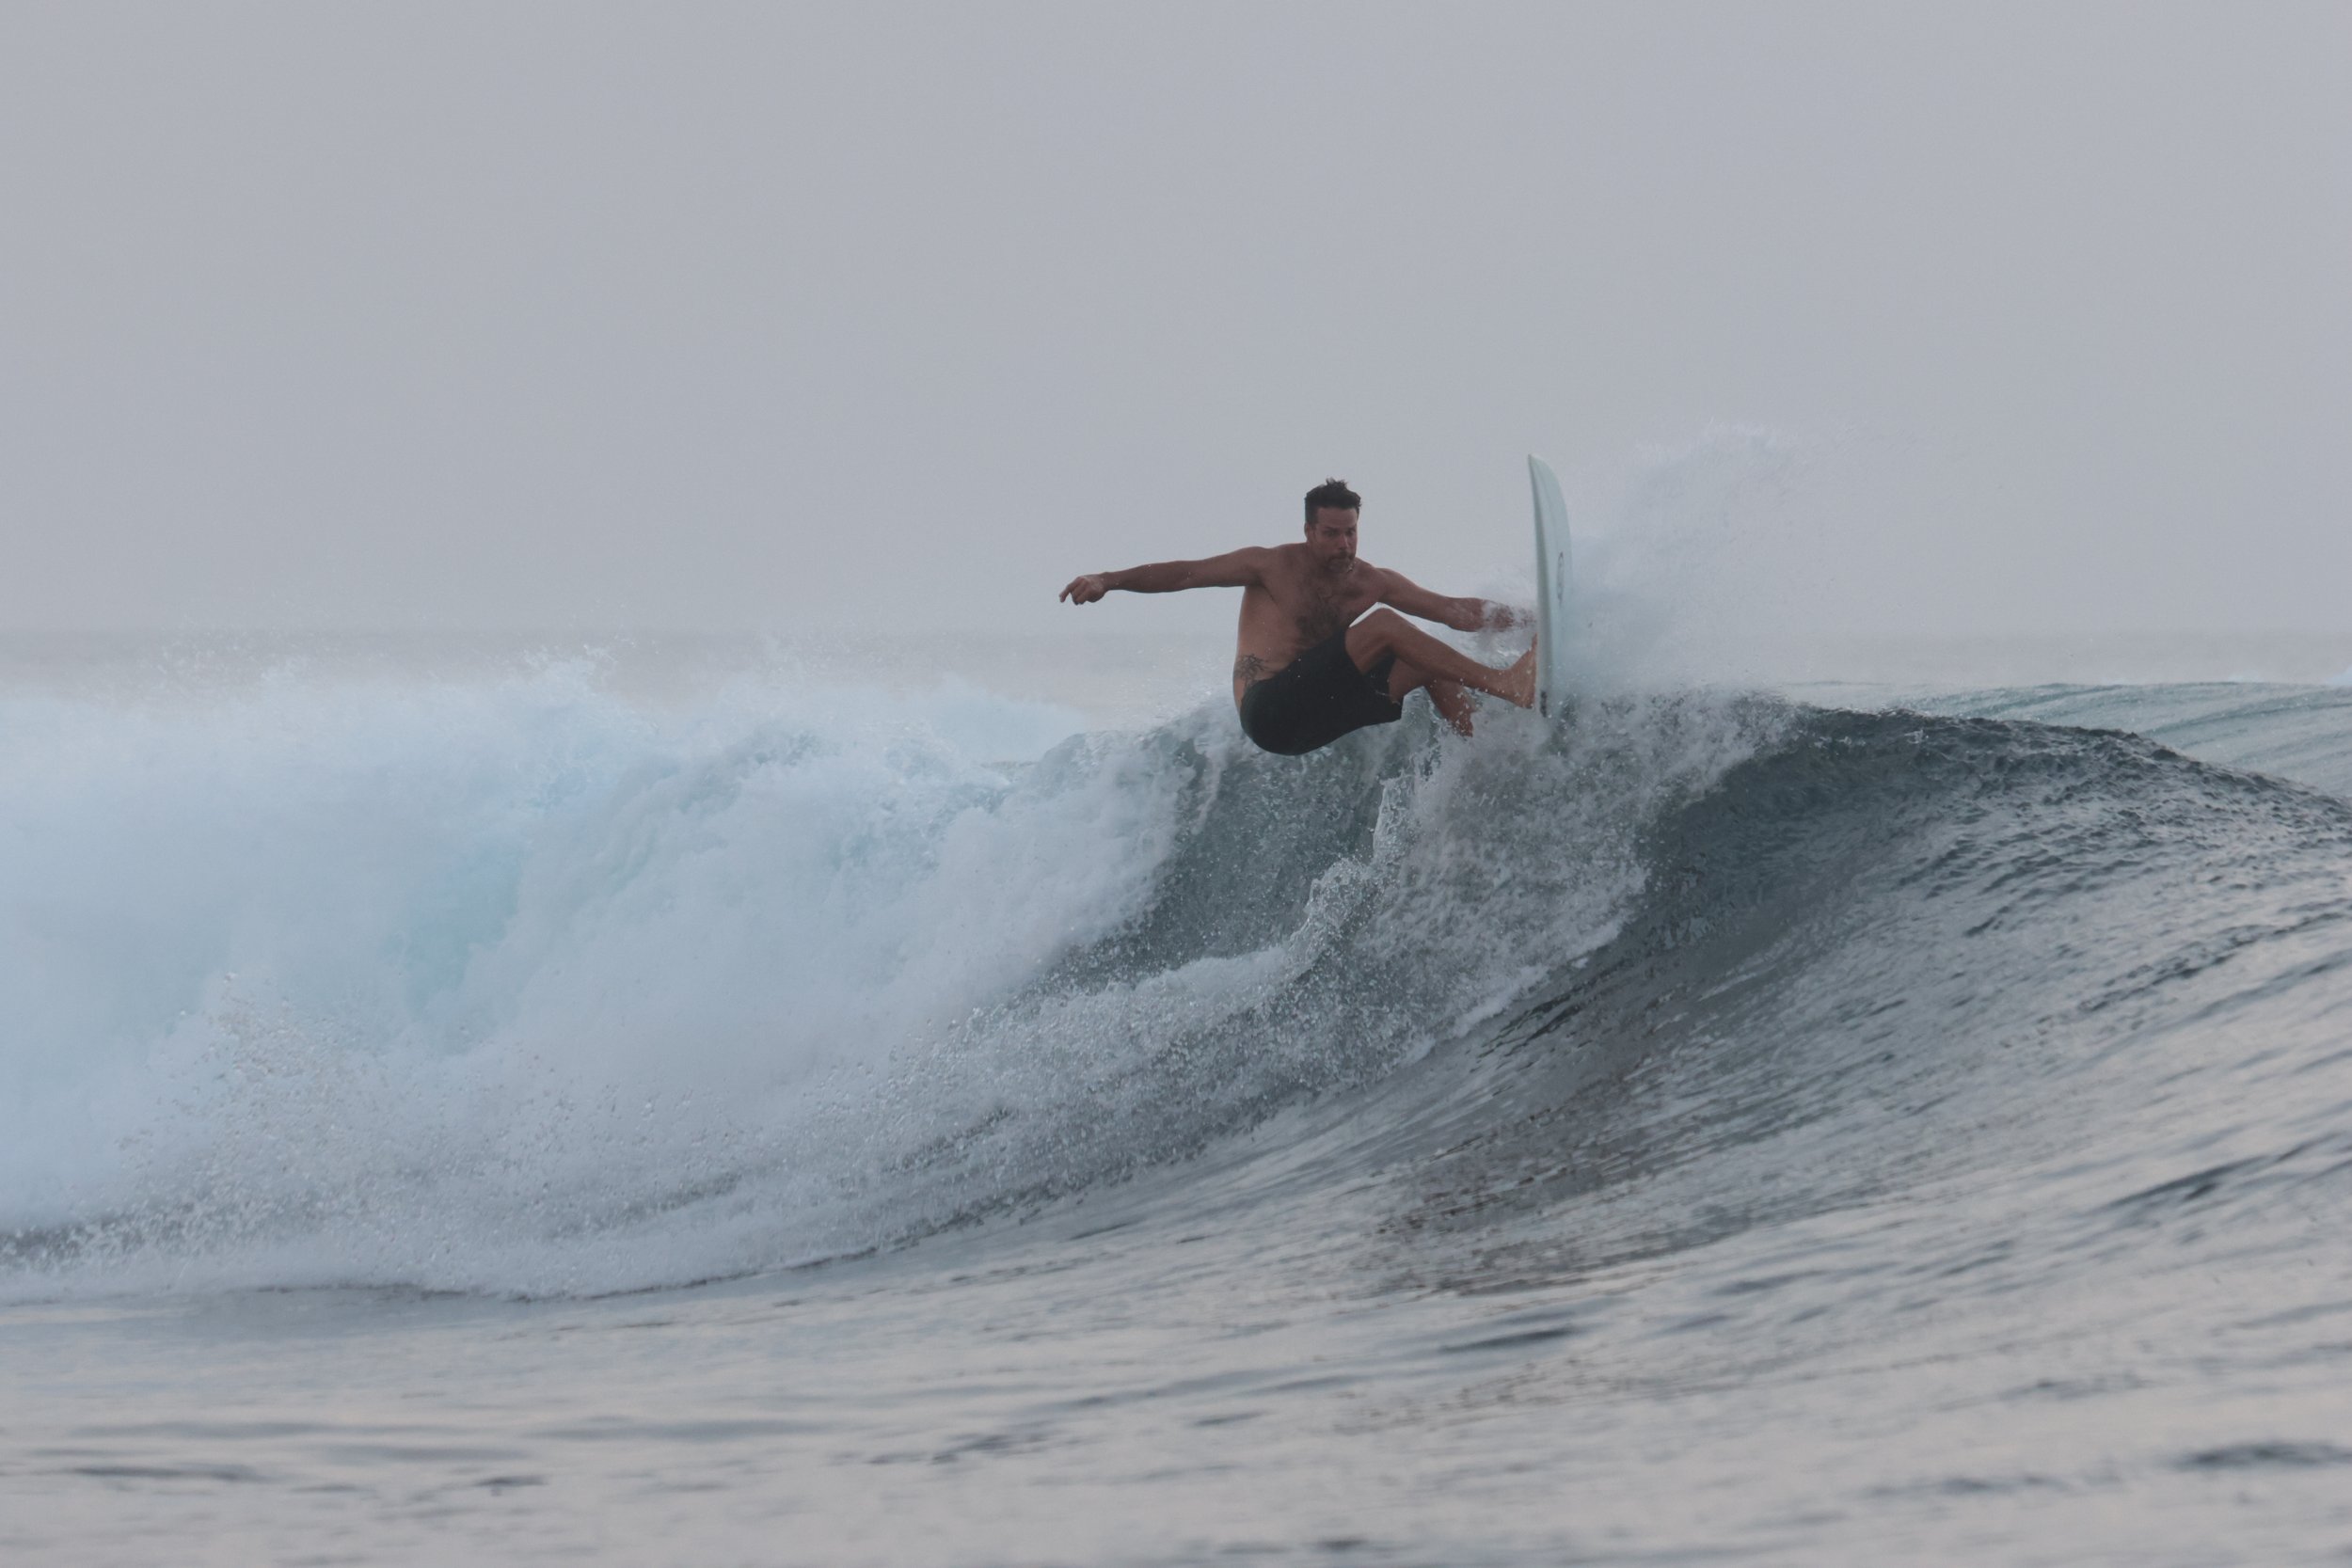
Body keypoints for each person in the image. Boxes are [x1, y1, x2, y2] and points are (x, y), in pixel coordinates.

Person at [1060, 479, 1536, 755]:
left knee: (1426, 660)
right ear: (1309, 530)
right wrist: (1109, 579)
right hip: (1269, 712)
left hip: (1320, 715)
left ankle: (1485, 752)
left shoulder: (1372, 581)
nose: (1343, 545)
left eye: (1350, 533)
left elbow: (1455, 612)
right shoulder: (1269, 566)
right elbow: (1186, 574)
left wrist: (1533, 619)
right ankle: (1509, 685)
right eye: (1330, 534)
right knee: (1387, 627)